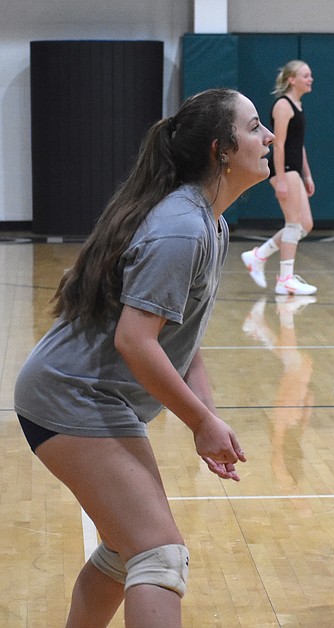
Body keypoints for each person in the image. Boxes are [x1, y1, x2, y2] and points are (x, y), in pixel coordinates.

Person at [14, 88, 274, 628]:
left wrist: (209, 417)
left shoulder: (211, 222)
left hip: (88, 395)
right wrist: (200, 422)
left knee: (124, 549)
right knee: (158, 554)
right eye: (254, 127)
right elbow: (136, 341)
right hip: (71, 395)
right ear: (220, 151)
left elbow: (184, 334)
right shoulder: (181, 227)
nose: (268, 137)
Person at [241, 60, 318, 295]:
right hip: (283, 168)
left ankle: (258, 255)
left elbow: (299, 144)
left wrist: (307, 174)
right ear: (292, 79)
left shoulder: (298, 105)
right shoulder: (283, 106)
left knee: (305, 224)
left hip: (294, 168)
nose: (310, 78)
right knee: (294, 224)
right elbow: (280, 143)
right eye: (305, 75)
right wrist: (282, 179)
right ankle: (284, 279)